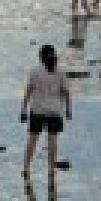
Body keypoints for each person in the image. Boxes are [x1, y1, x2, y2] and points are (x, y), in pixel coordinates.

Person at [19, 45, 72, 179]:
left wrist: (23, 109)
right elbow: (66, 93)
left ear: (40, 57)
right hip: (54, 111)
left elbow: (28, 91)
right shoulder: (60, 72)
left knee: (32, 139)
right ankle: (50, 170)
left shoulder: (34, 71)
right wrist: (68, 110)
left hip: (37, 110)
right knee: (52, 141)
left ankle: (26, 167)